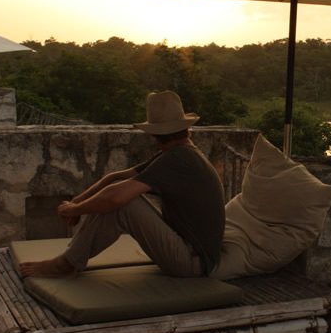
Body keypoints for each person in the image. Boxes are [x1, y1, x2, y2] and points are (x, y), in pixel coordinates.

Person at [19, 91, 226, 278]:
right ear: (185, 128)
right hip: (185, 252)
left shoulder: (179, 159)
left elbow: (117, 197)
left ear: (153, 134)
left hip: (192, 263)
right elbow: (115, 178)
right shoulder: (178, 153)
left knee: (125, 203)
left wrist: (75, 208)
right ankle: (71, 257)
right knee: (117, 196)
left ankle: (66, 263)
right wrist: (76, 203)